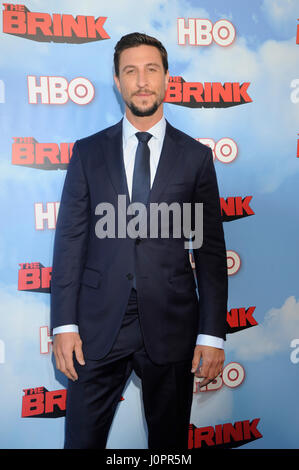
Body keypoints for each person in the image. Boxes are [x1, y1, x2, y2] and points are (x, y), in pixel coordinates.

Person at [50, 32, 228, 450]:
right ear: (117, 80)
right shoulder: (87, 153)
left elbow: (209, 251)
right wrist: (63, 323)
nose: (142, 80)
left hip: (171, 322)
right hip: (95, 327)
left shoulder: (195, 158)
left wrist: (213, 334)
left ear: (167, 77)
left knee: (169, 450)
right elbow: (70, 241)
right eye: (131, 71)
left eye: (151, 69)